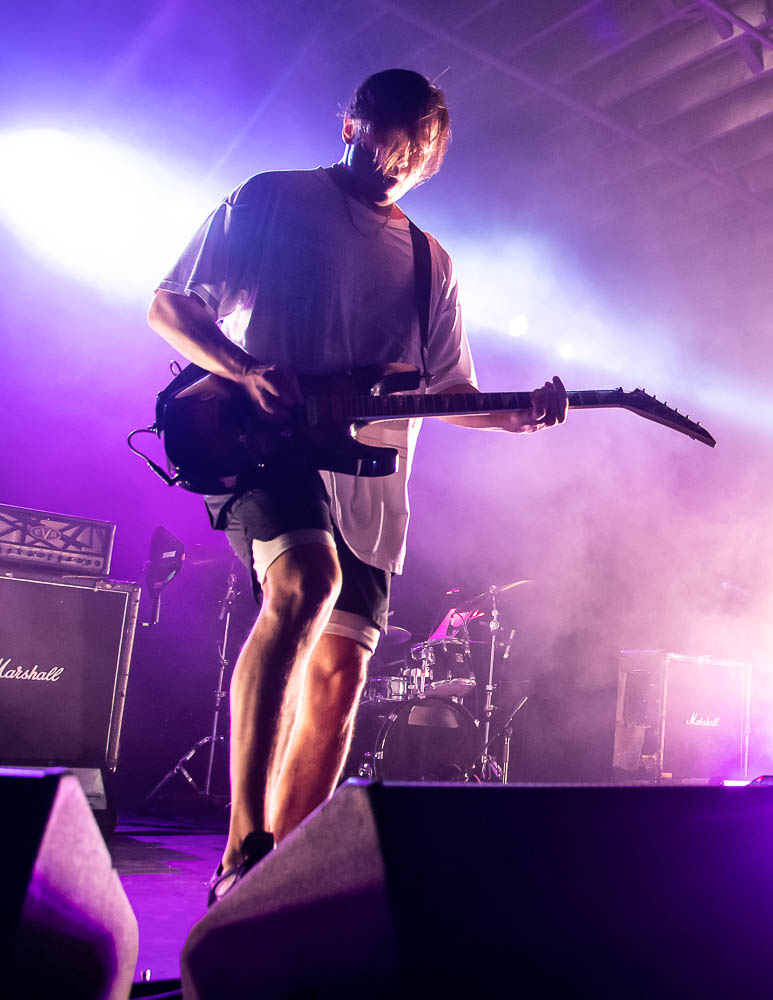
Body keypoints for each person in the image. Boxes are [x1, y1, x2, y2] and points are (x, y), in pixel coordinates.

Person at [147, 69, 567, 905]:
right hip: (266, 449)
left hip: (372, 483)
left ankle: (282, 888)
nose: (396, 159)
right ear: (350, 124)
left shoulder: (429, 262)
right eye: (384, 137)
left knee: (338, 682)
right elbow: (169, 305)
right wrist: (242, 367)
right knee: (307, 580)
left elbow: (448, 393)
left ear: (433, 159)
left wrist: (516, 413)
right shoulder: (270, 199)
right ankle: (243, 848)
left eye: (415, 151)